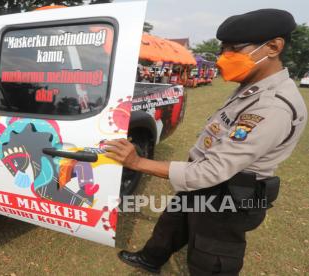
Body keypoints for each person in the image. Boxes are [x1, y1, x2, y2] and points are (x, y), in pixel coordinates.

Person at [105, 9, 307, 275]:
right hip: (204, 181)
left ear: (273, 47)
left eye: (233, 49)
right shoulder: (251, 87)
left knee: (211, 254)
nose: (223, 59)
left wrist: (137, 161)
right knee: (173, 223)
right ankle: (151, 259)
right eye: (223, 50)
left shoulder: (272, 107)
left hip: (229, 194)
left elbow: (211, 171)